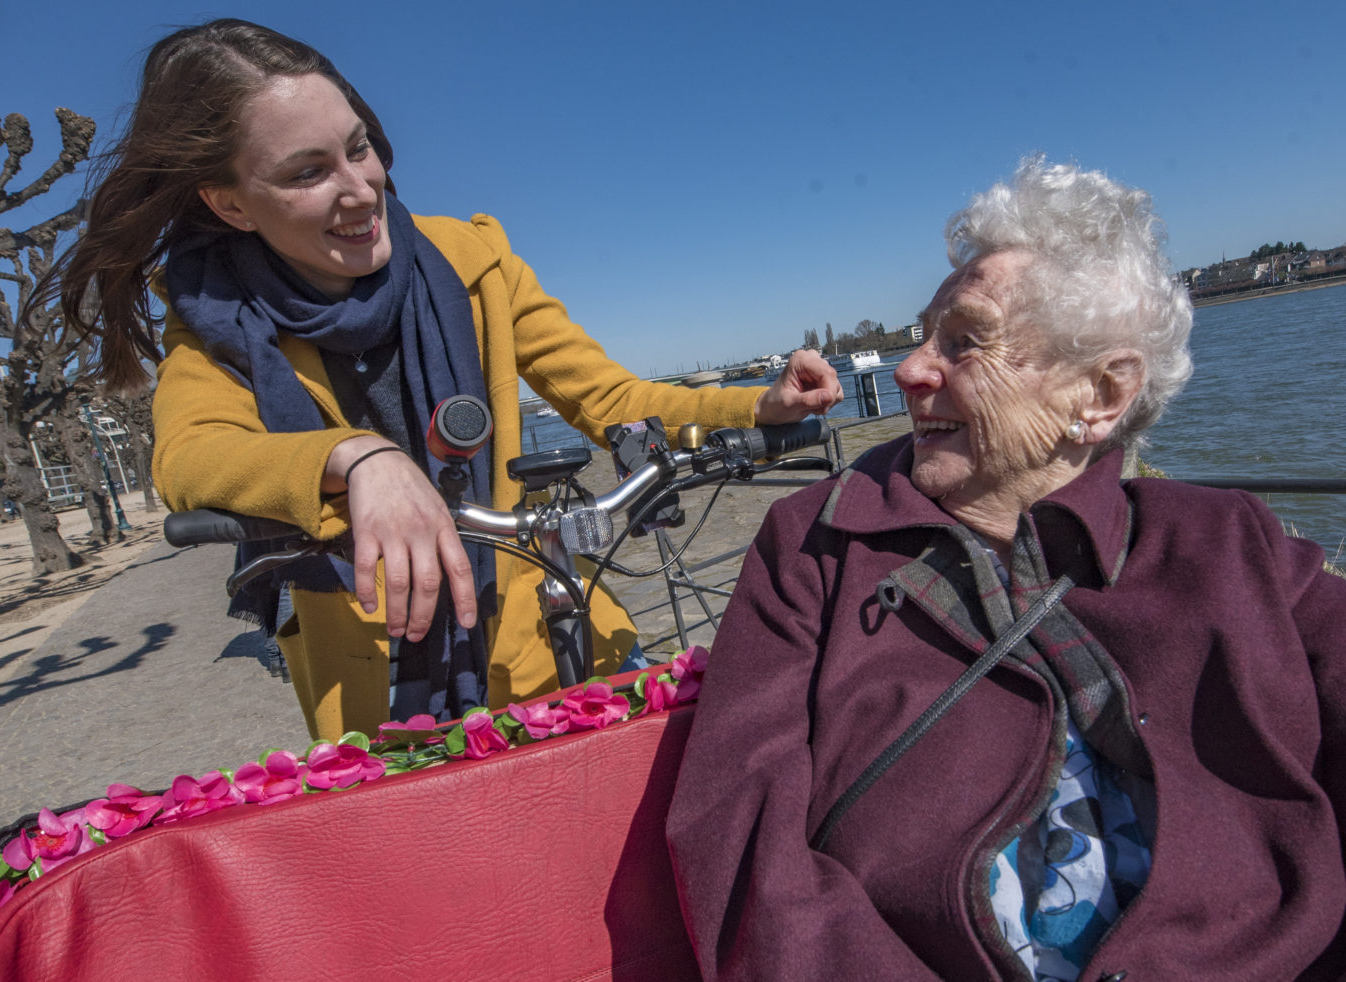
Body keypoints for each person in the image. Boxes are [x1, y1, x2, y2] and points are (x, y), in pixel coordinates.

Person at [665, 157, 1346, 980]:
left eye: (964, 342)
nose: (909, 370)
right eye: (924, 336)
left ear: (1102, 396)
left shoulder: (1236, 549)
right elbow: (741, 842)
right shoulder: (815, 546)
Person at [42, 19, 841, 740]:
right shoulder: (218, 319)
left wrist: (760, 403)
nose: (362, 190)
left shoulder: (471, 259)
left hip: (539, 621)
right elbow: (189, 457)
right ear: (232, 203)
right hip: (372, 672)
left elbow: (614, 401)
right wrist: (356, 459)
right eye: (308, 172)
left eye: (360, 148)